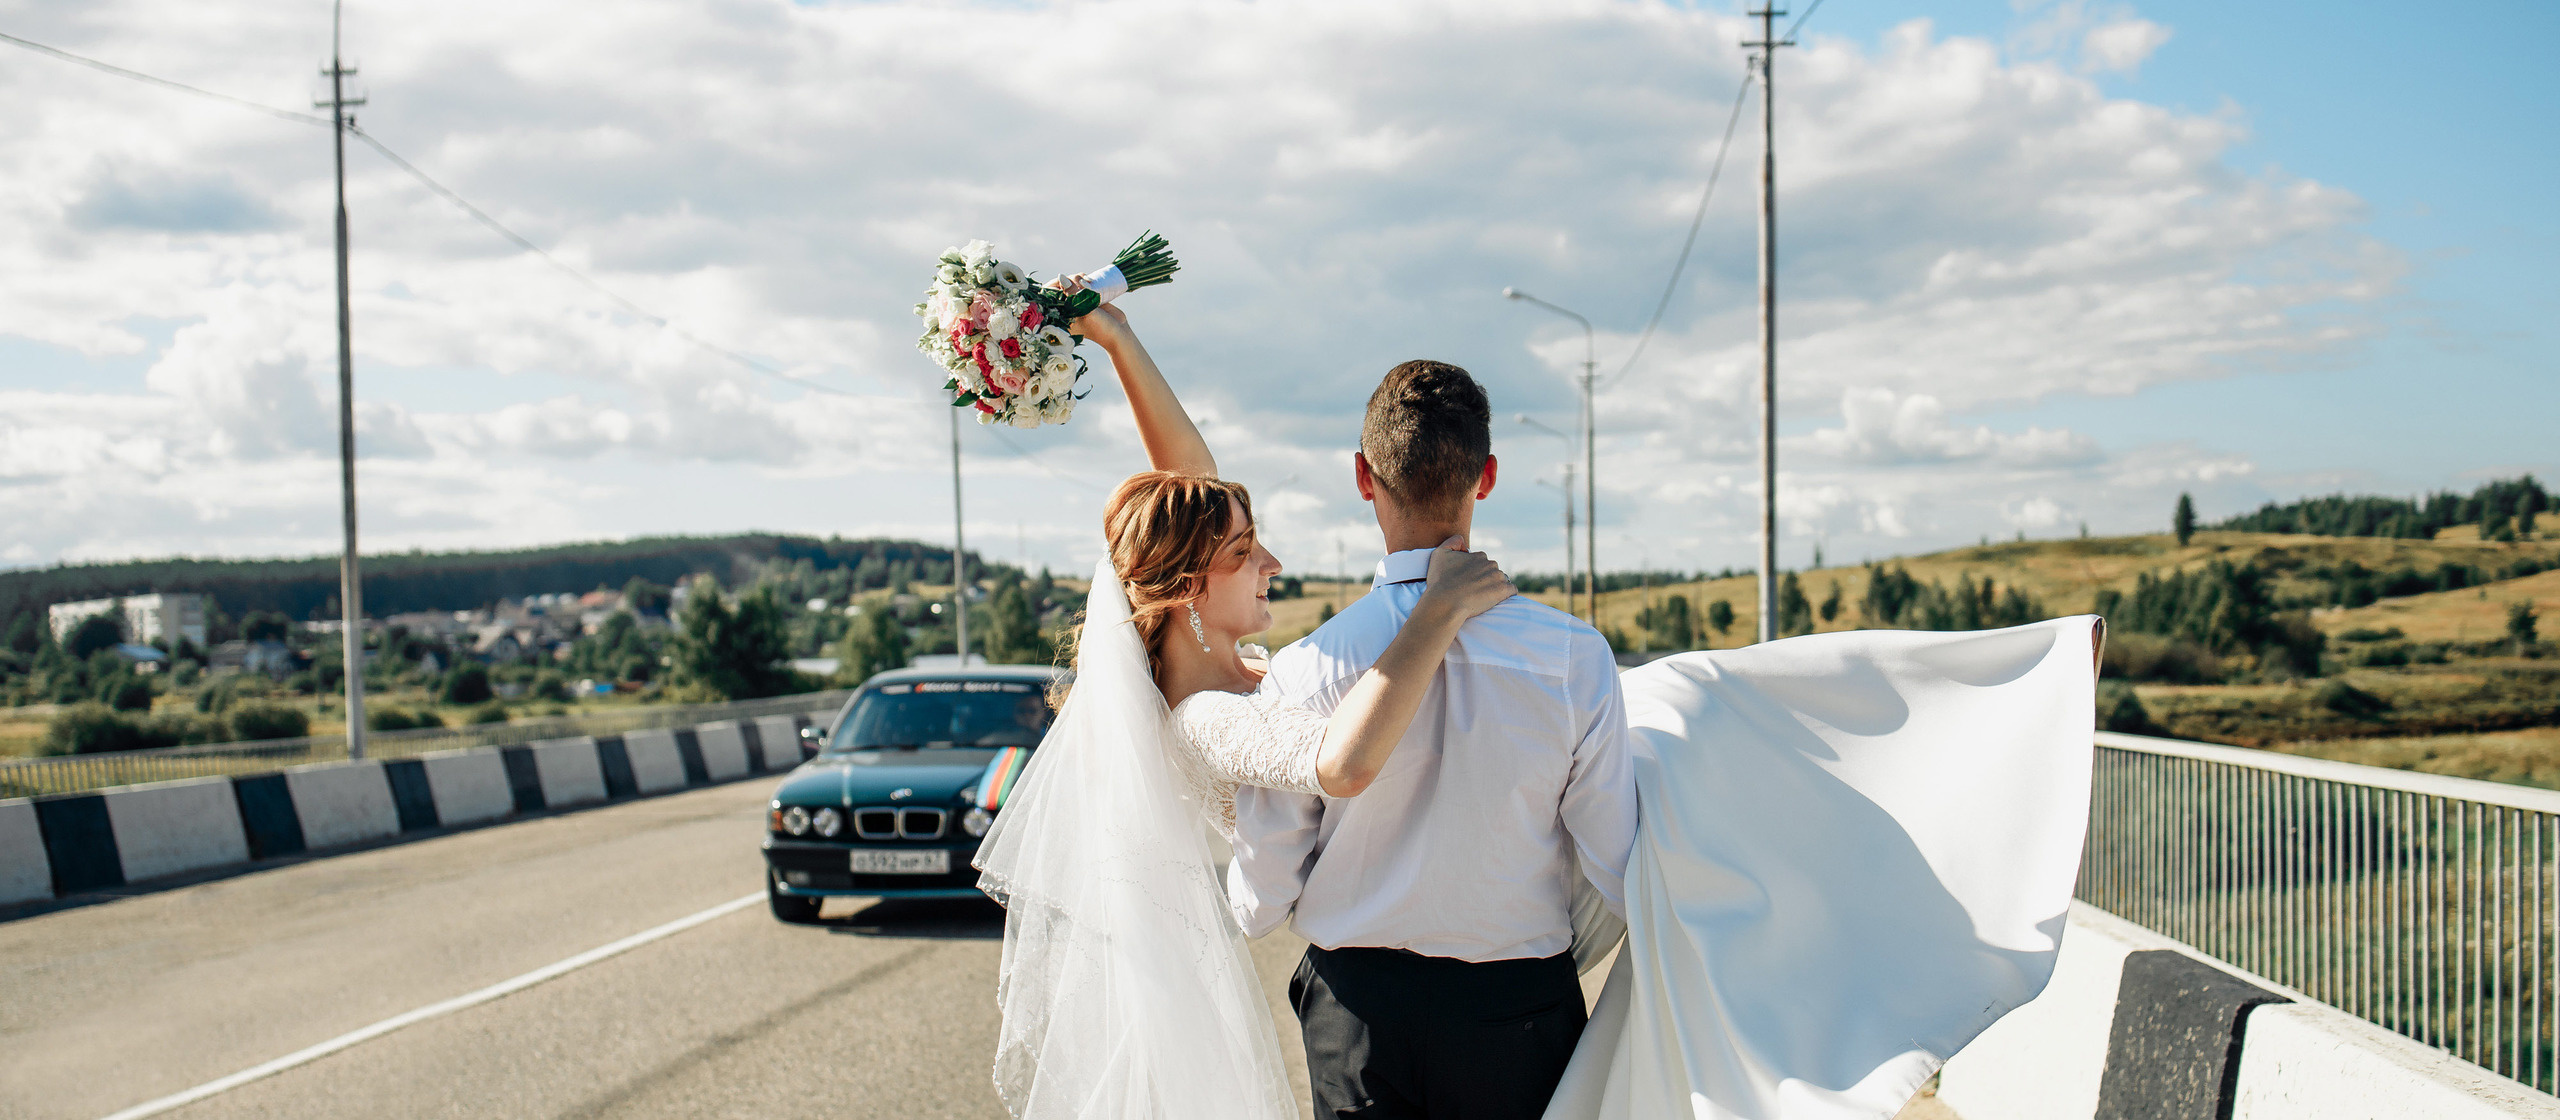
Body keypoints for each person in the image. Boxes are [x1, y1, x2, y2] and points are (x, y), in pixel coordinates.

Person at [970, 291, 1517, 1120]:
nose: (1272, 559)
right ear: (1191, 585)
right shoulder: (1207, 718)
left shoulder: (1236, 668)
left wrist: (1117, 340)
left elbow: (1192, 474)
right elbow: (1343, 762)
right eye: (1243, 549)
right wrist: (1438, 610)